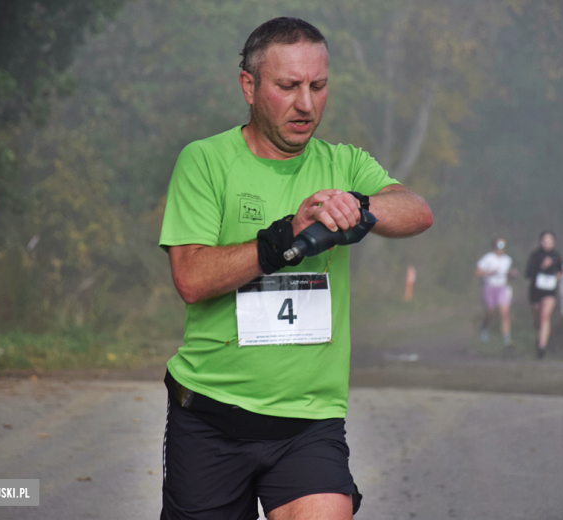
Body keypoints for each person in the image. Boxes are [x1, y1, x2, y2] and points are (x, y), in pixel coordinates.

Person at [158, 17, 432, 520]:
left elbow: (417, 210)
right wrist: (286, 238)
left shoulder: (343, 164)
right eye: (288, 87)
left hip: (309, 423)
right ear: (249, 85)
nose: (306, 104)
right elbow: (191, 279)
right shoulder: (204, 161)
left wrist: (358, 206)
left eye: (318, 86)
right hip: (210, 417)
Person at [525, 231, 563, 358]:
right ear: (541, 242)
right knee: (538, 319)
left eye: (550, 241)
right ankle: (540, 336)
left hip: (550, 291)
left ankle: (542, 346)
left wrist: (560, 275)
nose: (547, 243)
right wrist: (541, 266)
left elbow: (561, 270)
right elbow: (528, 273)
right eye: (545, 241)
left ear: (554, 242)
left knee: (545, 316)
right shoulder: (535, 255)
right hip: (535, 291)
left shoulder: (556, 256)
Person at [476, 238, 517, 346]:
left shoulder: (508, 259)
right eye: (498, 248)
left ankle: (506, 339)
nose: (500, 250)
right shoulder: (488, 258)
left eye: (502, 248)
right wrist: (490, 272)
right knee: (490, 312)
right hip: (490, 287)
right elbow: (478, 272)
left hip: (503, 287)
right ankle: (483, 328)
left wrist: (511, 274)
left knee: (504, 313)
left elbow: (507, 273)